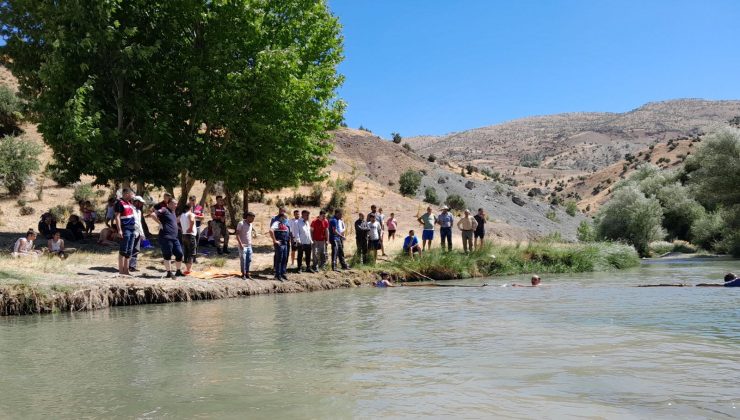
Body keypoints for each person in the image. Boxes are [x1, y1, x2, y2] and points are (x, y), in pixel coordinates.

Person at [149, 199, 184, 278]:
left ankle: (178, 271)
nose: (176, 205)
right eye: (174, 204)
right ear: (169, 204)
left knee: (179, 254)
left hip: (174, 238)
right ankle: (169, 273)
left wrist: (178, 227)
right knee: (167, 255)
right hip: (166, 237)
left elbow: (172, 222)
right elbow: (153, 215)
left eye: (176, 204)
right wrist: (160, 223)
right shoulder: (164, 209)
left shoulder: (173, 212)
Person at [114, 188, 137, 275]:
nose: (133, 195)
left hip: (132, 228)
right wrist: (119, 230)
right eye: (132, 194)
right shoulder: (119, 203)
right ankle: (121, 271)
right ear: (126, 194)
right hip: (125, 228)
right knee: (123, 250)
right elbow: (117, 217)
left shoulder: (129, 203)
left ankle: (126, 271)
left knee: (129, 251)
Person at [269, 212, 291, 281]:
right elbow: (271, 230)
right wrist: (275, 240)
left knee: (284, 258)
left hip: (285, 243)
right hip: (280, 244)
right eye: (285, 217)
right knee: (279, 259)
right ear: (281, 217)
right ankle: (277, 275)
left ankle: (282, 273)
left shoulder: (284, 224)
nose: (286, 219)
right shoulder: (277, 223)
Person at [236, 211, 256, 279]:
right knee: (243, 259)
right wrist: (240, 244)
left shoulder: (251, 224)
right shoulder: (241, 223)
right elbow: (237, 234)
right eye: (252, 218)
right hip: (243, 245)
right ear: (248, 217)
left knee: (249, 259)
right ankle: (243, 274)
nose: (253, 220)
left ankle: (247, 273)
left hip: (249, 245)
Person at [129, 196, 146, 272]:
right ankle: (126, 266)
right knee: (129, 249)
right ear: (136, 202)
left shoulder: (139, 211)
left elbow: (139, 223)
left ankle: (132, 266)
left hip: (138, 232)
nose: (141, 204)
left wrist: (142, 234)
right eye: (140, 202)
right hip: (131, 232)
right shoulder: (130, 209)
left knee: (136, 250)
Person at [179, 202, 197, 275]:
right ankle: (189, 269)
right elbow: (192, 220)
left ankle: (187, 268)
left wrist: (181, 228)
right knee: (191, 252)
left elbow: (176, 221)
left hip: (184, 235)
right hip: (190, 235)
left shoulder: (182, 215)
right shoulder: (190, 214)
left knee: (186, 251)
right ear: (190, 208)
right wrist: (190, 228)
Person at [189, 195, 204, 263]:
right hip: (189, 227)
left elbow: (202, 217)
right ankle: (189, 258)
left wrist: (195, 216)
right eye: (191, 201)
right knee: (190, 243)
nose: (192, 202)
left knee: (196, 242)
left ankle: (195, 258)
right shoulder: (187, 207)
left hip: (197, 227)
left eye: (193, 201)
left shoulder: (200, 207)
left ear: (195, 200)